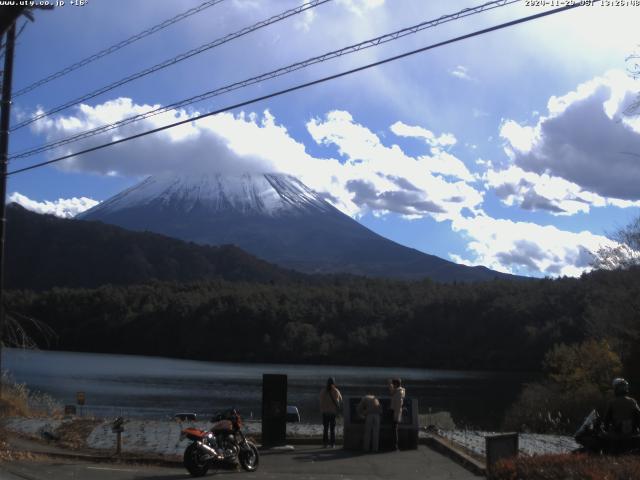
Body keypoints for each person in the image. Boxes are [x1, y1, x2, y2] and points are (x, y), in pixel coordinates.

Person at [319, 377, 342, 448]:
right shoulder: (336, 391)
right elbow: (340, 400)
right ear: (334, 383)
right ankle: (332, 444)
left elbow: (321, 401)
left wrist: (322, 409)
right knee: (332, 429)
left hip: (325, 412)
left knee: (325, 429)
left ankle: (325, 444)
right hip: (333, 413)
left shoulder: (323, 391)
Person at [388, 378, 405, 450]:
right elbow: (391, 392)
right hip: (394, 411)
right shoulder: (397, 391)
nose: (393, 386)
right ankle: (394, 445)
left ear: (396, 384)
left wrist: (396, 416)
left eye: (393, 384)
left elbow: (398, 405)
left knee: (394, 430)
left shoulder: (399, 392)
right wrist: (390, 385)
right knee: (394, 429)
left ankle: (395, 446)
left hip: (395, 412)